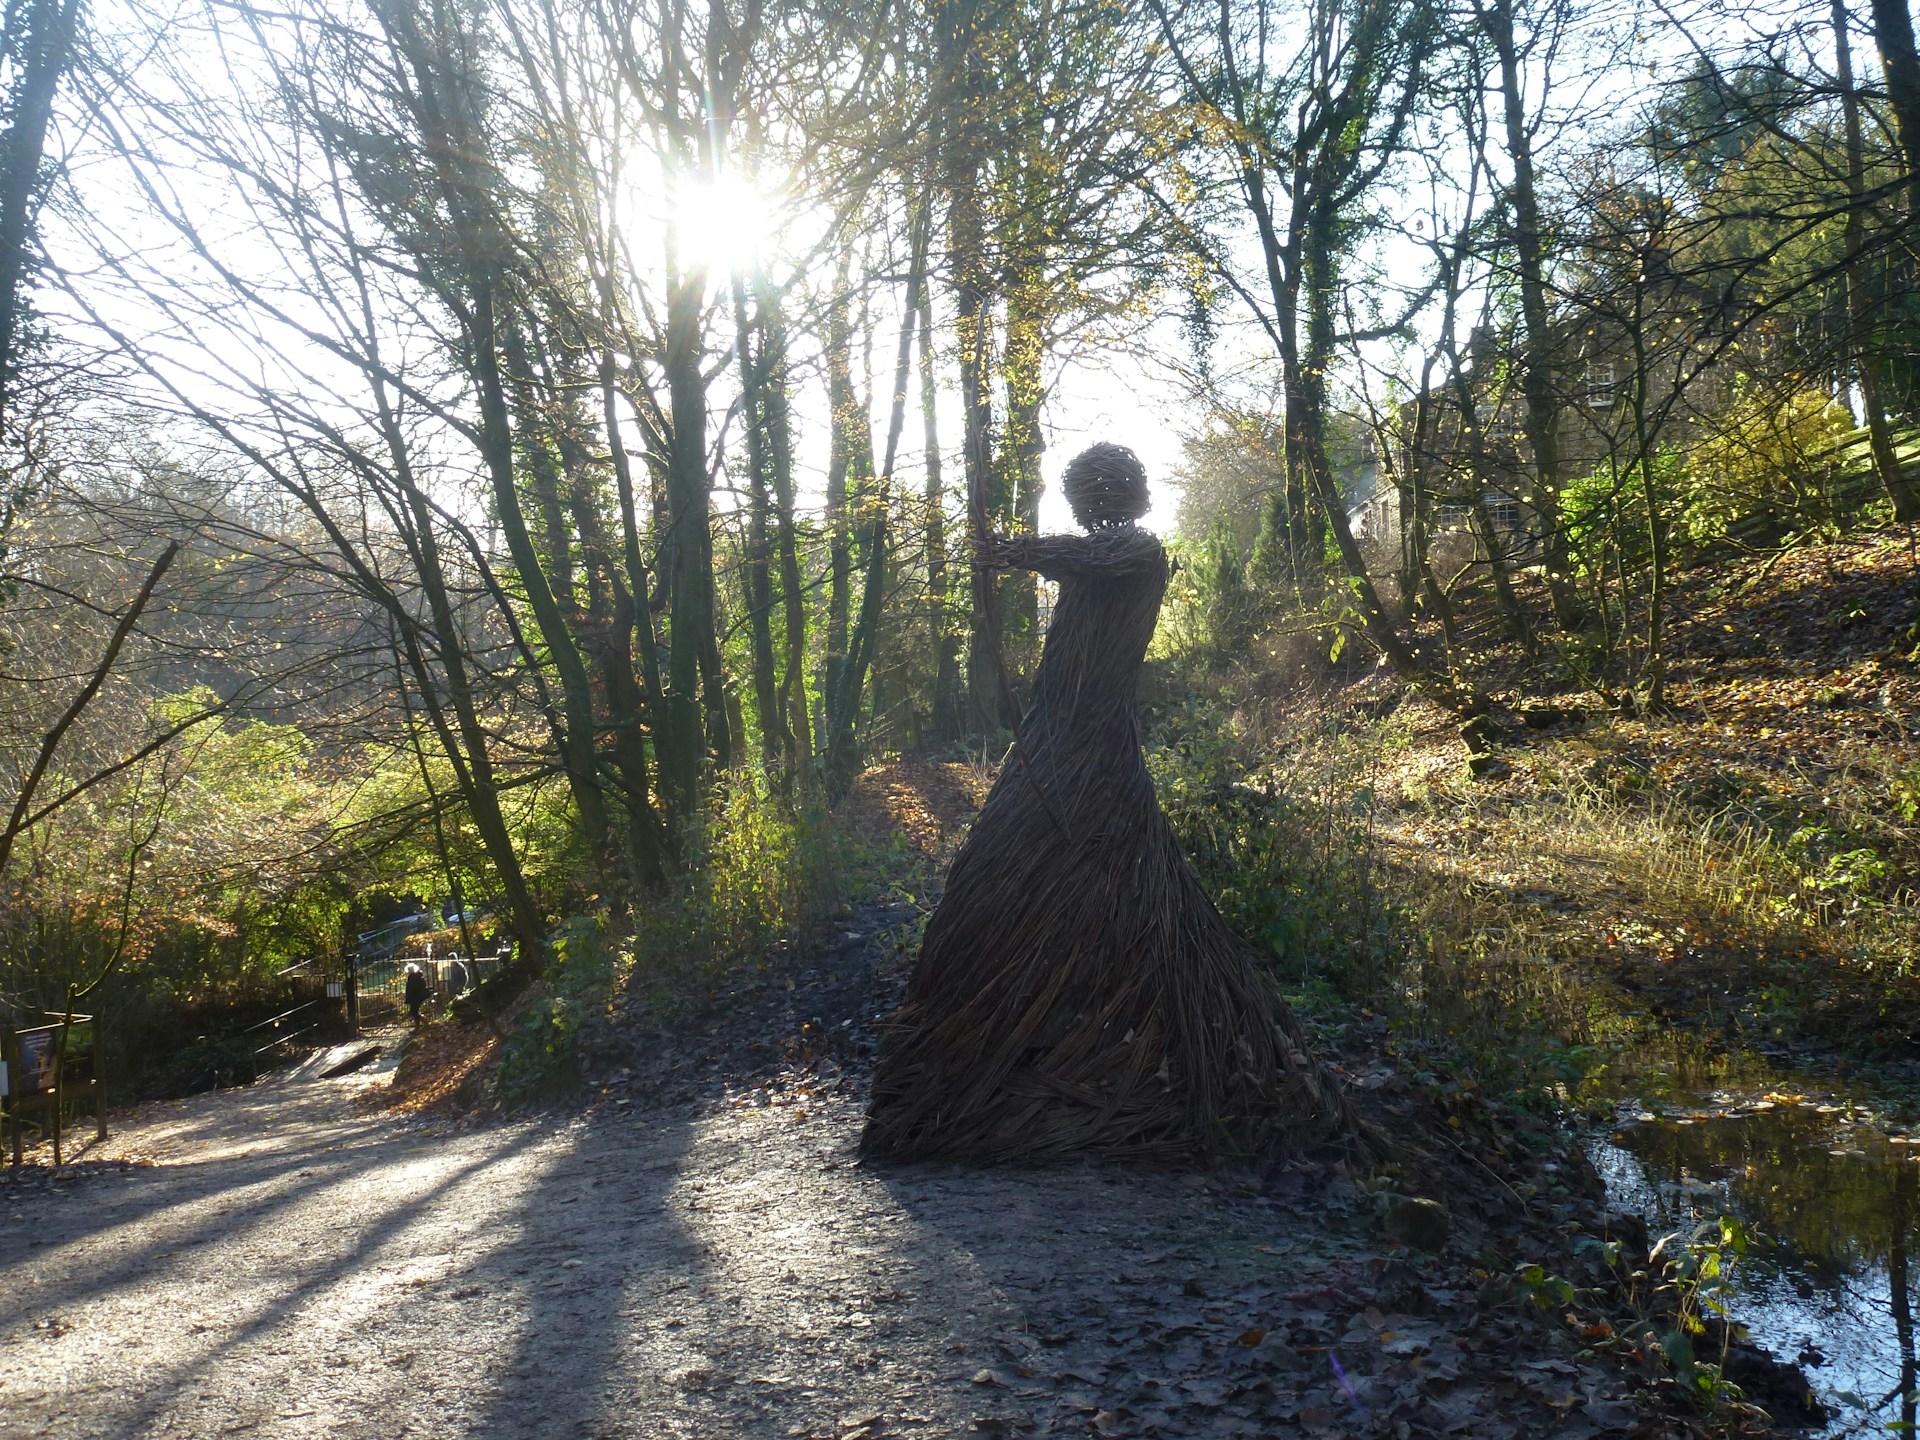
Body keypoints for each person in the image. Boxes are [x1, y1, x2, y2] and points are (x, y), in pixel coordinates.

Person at [862, 442, 1352, 1166]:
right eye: (1082, 490)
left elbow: (1089, 557)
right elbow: (1075, 567)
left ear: (1127, 493)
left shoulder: (1137, 552)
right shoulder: (1091, 564)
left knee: (1098, 876)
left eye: (1100, 487)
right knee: (998, 876)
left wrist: (1011, 550)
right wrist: (1013, 556)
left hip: (1092, 749)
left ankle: (1114, 1072)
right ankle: (957, 1078)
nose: (1090, 500)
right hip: (1051, 741)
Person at [403, 962, 428, 1029]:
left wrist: (409, 996)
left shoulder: (413, 978)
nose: (409, 971)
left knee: (413, 1012)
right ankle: (421, 1023)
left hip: (415, 997)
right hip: (416, 997)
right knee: (414, 1012)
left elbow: (411, 989)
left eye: (410, 969)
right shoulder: (416, 977)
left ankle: (422, 1023)